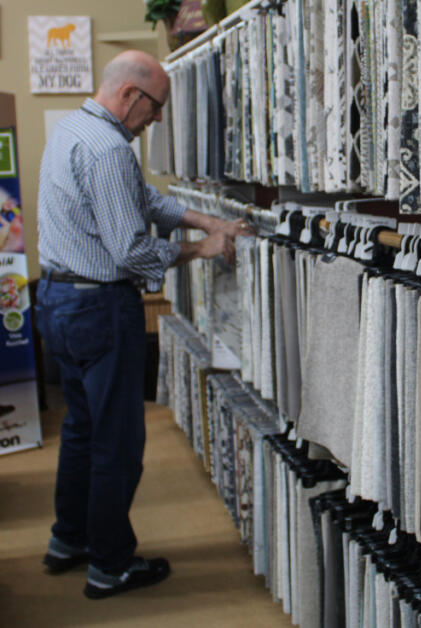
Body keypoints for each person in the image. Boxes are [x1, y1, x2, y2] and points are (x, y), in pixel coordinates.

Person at [34, 50, 250, 599]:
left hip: (58, 301)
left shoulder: (72, 130)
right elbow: (130, 250)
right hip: (99, 310)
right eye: (155, 108)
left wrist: (208, 219)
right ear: (131, 95)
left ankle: (70, 540)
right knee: (117, 443)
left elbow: (143, 200)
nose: (157, 120)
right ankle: (110, 566)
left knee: (81, 431)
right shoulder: (109, 149)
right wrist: (202, 248)